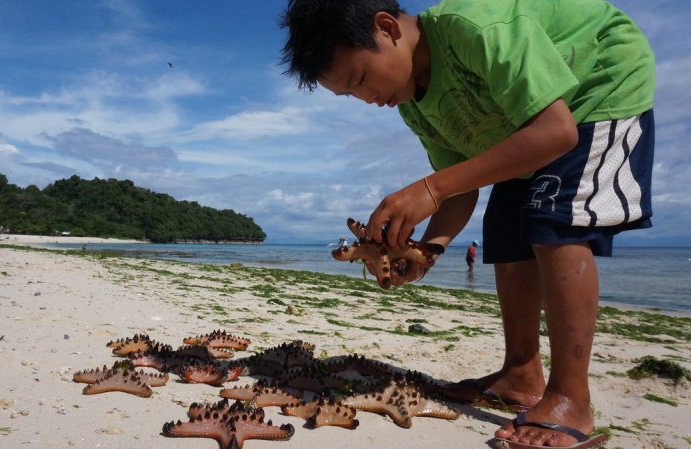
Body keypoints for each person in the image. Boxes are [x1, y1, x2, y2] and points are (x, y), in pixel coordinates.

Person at [279, 1, 654, 448]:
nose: (364, 99)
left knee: (555, 221)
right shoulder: (413, 104)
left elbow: (556, 132)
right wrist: (429, 251)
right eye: (348, 94)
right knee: (505, 229)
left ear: (387, 28)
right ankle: (520, 374)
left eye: (359, 79)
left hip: (597, 90)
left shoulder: (474, 28)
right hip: (526, 128)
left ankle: (571, 398)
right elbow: (461, 190)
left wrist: (427, 190)